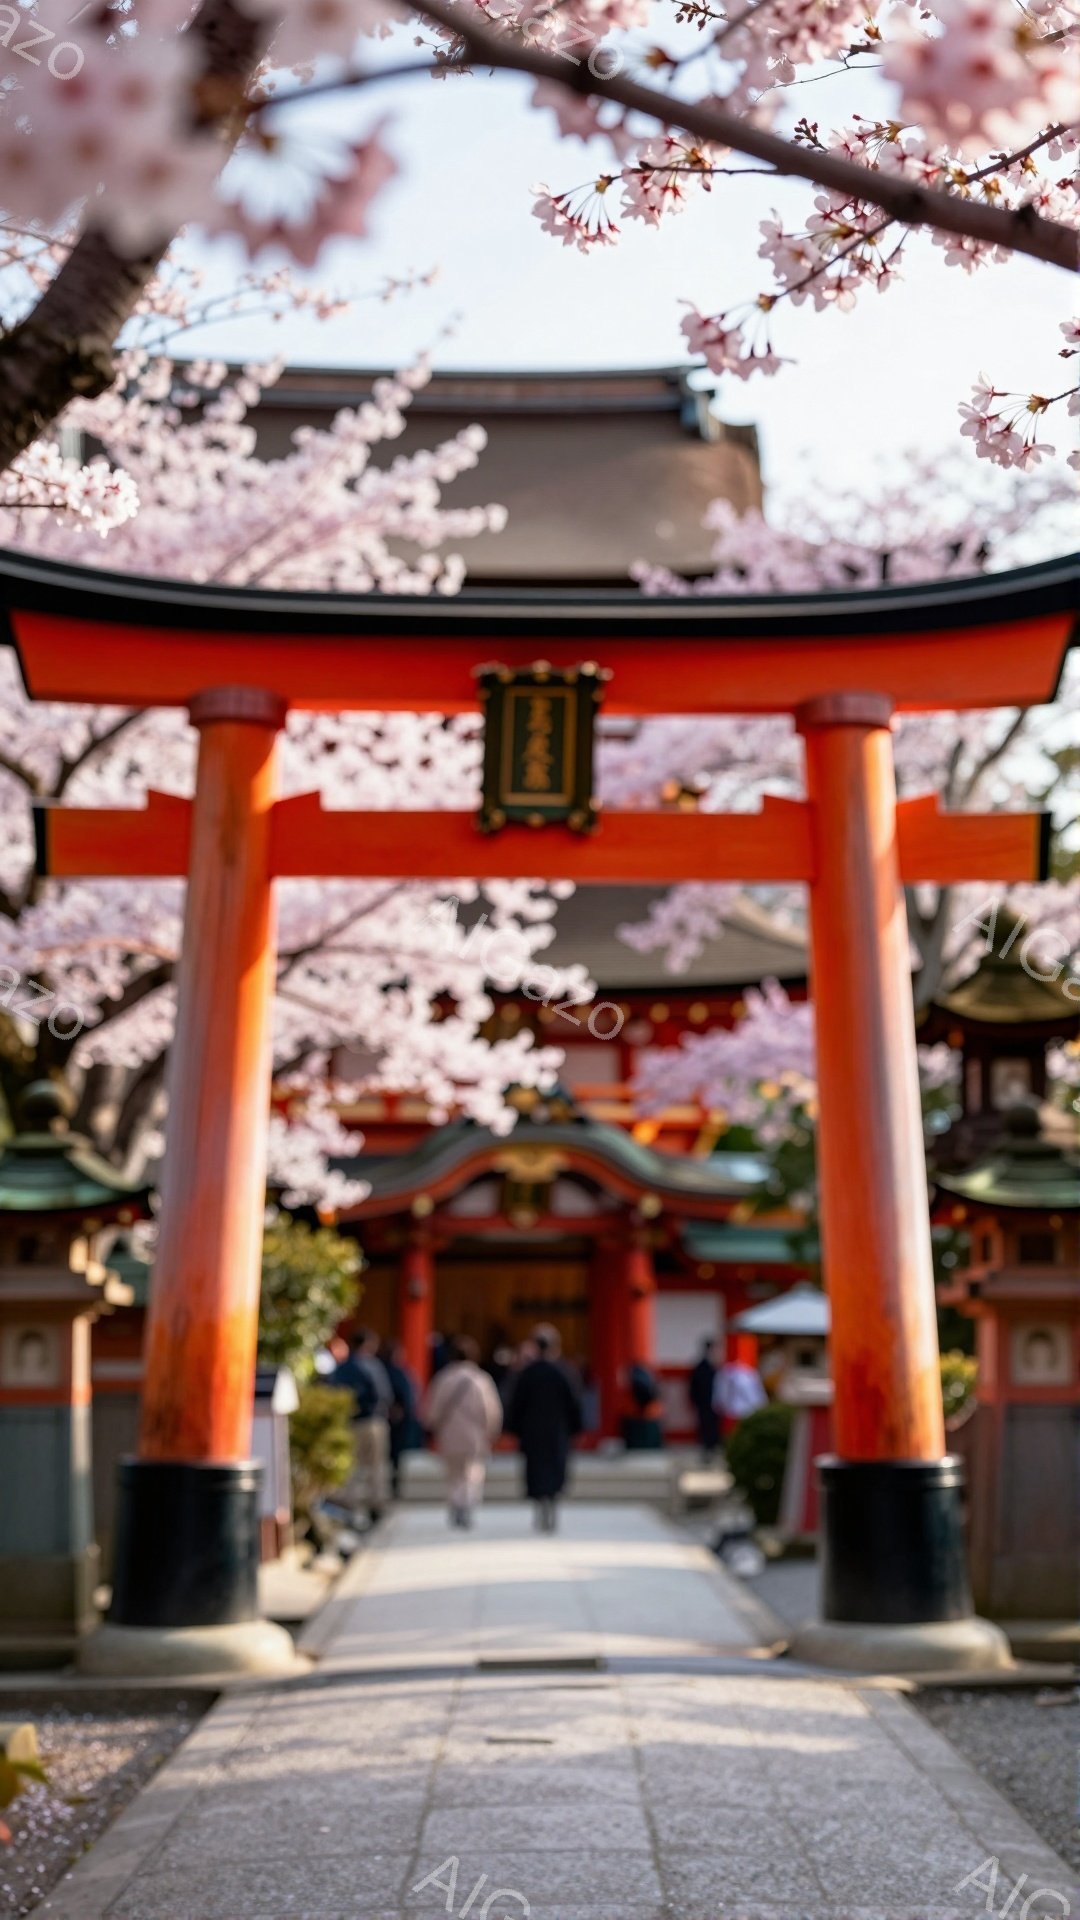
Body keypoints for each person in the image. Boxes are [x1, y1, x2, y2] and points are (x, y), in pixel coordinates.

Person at [504, 1324, 583, 1533]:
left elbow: (516, 1404)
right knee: (556, 1467)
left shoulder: (527, 1373)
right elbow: (575, 1403)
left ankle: (541, 1505)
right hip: (558, 1431)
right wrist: (576, 1428)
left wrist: (514, 1428)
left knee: (537, 1469)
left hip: (533, 1431)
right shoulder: (564, 1371)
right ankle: (552, 1503)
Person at [422, 1335, 504, 1528]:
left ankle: (455, 1503)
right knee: (472, 1471)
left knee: (453, 1472)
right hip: (474, 1434)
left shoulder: (443, 1378)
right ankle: (466, 1504)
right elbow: (491, 1409)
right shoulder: (481, 1379)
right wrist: (492, 1430)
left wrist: (431, 1426)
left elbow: (432, 1409)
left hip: (449, 1433)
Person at [330, 1328, 393, 1523]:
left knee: (350, 1466)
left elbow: (333, 1393)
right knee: (376, 1466)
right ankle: (376, 1505)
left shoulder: (342, 1368)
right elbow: (384, 1394)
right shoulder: (373, 1366)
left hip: (350, 1423)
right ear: (367, 1344)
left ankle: (349, 1504)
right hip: (373, 1421)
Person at [382, 1338, 422, 1497]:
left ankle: (393, 1484)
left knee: (394, 1454)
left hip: (399, 1418)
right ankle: (391, 1485)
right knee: (391, 1453)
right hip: (394, 1418)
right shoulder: (391, 1371)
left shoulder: (400, 1370)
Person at [714, 1352, 768, 1439]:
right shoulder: (745, 1374)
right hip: (741, 1410)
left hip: (734, 1410)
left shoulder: (728, 1372)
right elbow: (752, 1394)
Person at [689, 1338, 720, 1461]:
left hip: (716, 1403)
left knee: (713, 1427)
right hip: (704, 1402)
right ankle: (707, 1450)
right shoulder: (702, 1366)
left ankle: (712, 1448)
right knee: (705, 1427)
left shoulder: (715, 1365)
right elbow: (694, 1386)